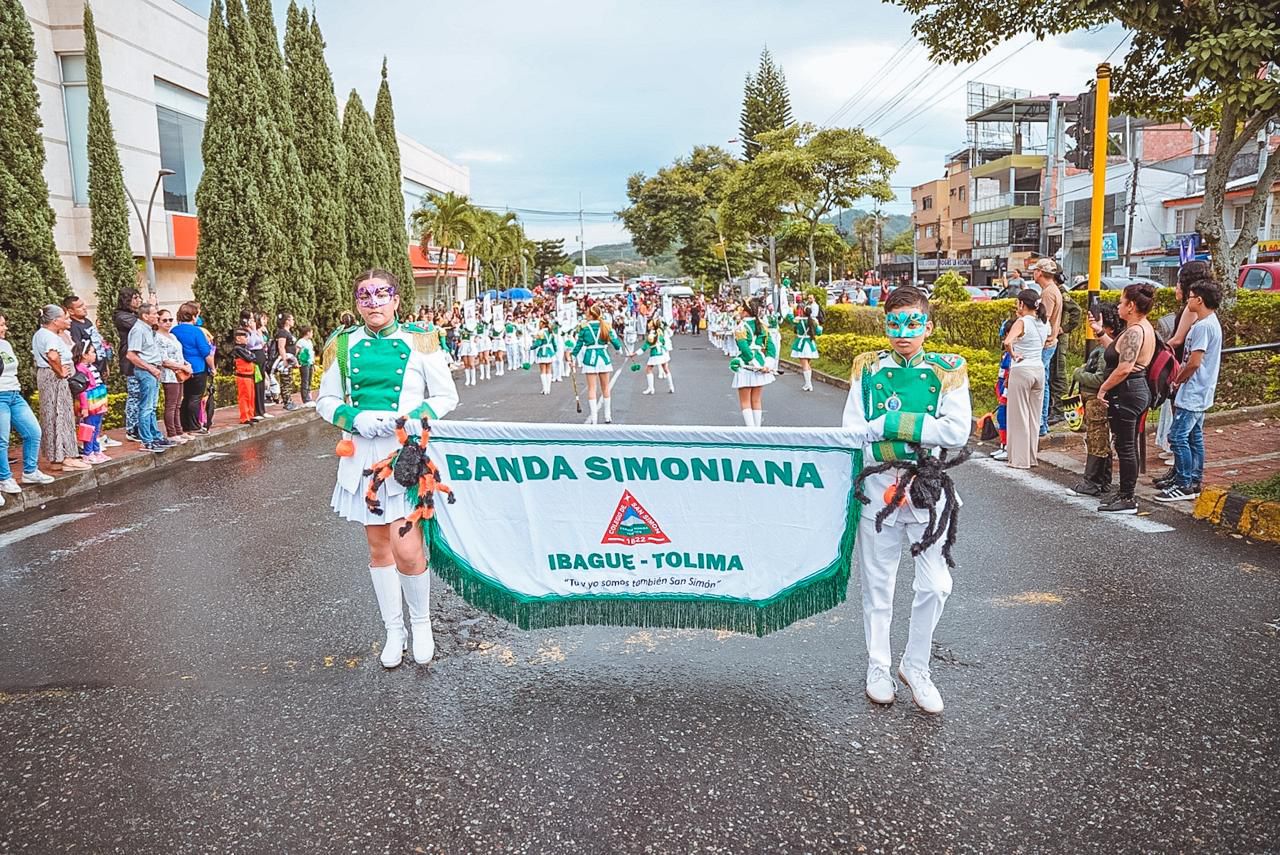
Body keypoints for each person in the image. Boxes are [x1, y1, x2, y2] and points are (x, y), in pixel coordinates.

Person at [316, 269, 459, 669]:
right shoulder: (343, 345)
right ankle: (393, 630)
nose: (374, 303)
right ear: (357, 302)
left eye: (382, 295)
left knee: (408, 548)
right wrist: (353, 419)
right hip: (362, 452)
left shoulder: (419, 341)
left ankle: (421, 623)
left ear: (396, 299)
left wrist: (408, 420)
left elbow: (446, 395)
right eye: (365, 296)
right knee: (379, 548)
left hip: (406, 452)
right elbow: (325, 400)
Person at [842, 286, 971, 714]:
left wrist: (888, 423)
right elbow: (853, 430)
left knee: (936, 584)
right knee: (879, 587)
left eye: (912, 323)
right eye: (894, 323)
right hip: (877, 490)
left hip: (927, 488)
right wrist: (915, 426)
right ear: (885, 325)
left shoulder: (948, 369)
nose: (903, 332)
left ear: (928, 326)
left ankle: (916, 664)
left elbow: (956, 432)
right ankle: (878, 666)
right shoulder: (867, 367)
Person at [1090, 283, 1157, 514]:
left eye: (1121, 301)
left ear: (1130, 306)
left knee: (1126, 447)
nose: (1118, 306)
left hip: (1128, 392)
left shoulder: (1136, 332)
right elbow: (1116, 353)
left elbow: (1125, 367)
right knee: (1124, 444)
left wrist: (1103, 389)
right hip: (1131, 391)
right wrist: (1100, 332)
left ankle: (1128, 497)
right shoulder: (1137, 328)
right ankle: (1124, 493)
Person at [1155, 277, 1222, 503]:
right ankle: (1193, 479)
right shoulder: (1211, 322)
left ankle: (1184, 483)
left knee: (1177, 437)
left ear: (1199, 300)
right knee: (1194, 437)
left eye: (1191, 297)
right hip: (1201, 390)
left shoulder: (1203, 327)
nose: (1188, 301)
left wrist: (1178, 380)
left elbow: (1193, 362)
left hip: (1193, 391)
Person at [1068, 305, 1124, 497]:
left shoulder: (1106, 350)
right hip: (1094, 401)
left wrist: (1078, 373)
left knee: (1096, 441)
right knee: (1098, 440)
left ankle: (1091, 482)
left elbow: (1100, 378)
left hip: (1096, 401)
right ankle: (1103, 481)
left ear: (1107, 327)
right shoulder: (1106, 347)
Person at [0, 314, 53, 500]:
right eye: (1, 325)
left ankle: (30, 471)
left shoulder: (5, 345)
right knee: (2, 440)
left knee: (33, 432)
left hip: (14, 393)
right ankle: (4, 478)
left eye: (4, 324)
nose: (5, 328)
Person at [32, 304, 90, 471]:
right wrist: (60, 372)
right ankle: (68, 457)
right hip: (55, 379)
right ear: (55, 321)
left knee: (51, 416)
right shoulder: (49, 336)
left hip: (47, 377)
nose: (68, 320)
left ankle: (56, 458)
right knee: (62, 415)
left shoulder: (40, 334)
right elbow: (52, 355)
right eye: (65, 318)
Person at [1001, 290, 1050, 469]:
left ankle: (1019, 460)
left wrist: (1013, 354)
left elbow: (1007, 342)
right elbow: (1048, 342)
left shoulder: (1022, 322)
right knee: (1033, 416)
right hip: (1038, 370)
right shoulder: (1044, 323)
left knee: (1019, 415)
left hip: (1022, 370)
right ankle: (1031, 457)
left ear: (1022, 304)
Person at [126, 302, 171, 453]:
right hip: (147, 371)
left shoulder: (148, 329)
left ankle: (155, 435)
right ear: (145, 316)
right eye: (154, 313)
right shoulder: (138, 330)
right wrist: (150, 368)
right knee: (146, 407)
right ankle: (146, 440)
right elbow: (131, 355)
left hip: (154, 370)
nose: (157, 316)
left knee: (152, 407)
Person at [1029, 259, 1064, 436]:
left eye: (1035, 271)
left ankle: (1041, 423)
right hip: (1049, 342)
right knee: (1043, 382)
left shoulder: (1048, 293)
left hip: (1045, 344)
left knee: (1040, 384)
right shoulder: (1051, 290)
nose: (1033, 274)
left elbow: (1044, 320)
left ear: (1040, 273)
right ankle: (1041, 422)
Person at [571, 305, 622, 424]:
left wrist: (572, 357)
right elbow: (614, 341)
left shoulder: (584, 328)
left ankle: (594, 418)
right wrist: (619, 349)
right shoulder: (605, 325)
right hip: (603, 358)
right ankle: (607, 416)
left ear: (590, 315)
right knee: (605, 387)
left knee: (592, 389)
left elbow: (578, 344)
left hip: (590, 359)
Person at [731, 299, 776, 427]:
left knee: (745, 401)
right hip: (761, 362)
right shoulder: (762, 326)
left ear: (745, 312)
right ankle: (758, 430)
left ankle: (751, 432)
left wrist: (753, 363)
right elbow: (771, 348)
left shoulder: (741, 327)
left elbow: (744, 348)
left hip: (746, 364)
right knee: (756, 399)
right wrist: (767, 364)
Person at [172, 301, 214, 434]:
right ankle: (194, 426)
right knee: (195, 397)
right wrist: (212, 368)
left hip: (181, 368)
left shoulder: (174, 331)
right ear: (193, 316)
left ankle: (184, 424)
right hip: (198, 368)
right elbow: (206, 352)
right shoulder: (197, 332)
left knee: (185, 397)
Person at [155, 309, 192, 443]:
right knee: (171, 405)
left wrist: (186, 365)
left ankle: (179, 430)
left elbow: (178, 355)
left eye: (170, 320)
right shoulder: (158, 338)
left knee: (177, 404)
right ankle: (171, 433)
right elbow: (164, 360)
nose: (168, 323)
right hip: (169, 375)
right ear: (158, 322)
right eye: (164, 320)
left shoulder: (172, 336)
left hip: (179, 373)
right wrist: (182, 367)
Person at [112, 288, 142, 441]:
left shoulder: (135, 315)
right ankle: (132, 428)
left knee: (143, 395)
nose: (138, 301)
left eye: (139, 297)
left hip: (143, 359)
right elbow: (142, 326)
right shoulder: (122, 316)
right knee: (135, 395)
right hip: (130, 361)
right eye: (134, 298)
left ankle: (141, 426)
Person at [73, 340, 109, 463]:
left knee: (97, 427)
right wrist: (84, 407)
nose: (95, 355)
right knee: (89, 427)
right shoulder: (80, 369)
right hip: (90, 401)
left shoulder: (91, 367)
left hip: (98, 400)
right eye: (92, 352)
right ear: (84, 355)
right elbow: (82, 390)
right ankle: (88, 452)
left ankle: (96, 450)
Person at [787, 306, 822, 392]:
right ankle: (808, 383)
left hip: (801, 344)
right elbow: (819, 332)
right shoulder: (813, 321)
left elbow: (790, 319)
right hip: (810, 344)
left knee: (805, 365)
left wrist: (790, 309)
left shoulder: (799, 320)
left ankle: (808, 384)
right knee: (807, 364)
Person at [230, 329, 260, 425]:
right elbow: (250, 358)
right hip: (243, 376)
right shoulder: (237, 349)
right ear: (238, 338)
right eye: (245, 336)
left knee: (251, 396)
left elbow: (253, 357)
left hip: (249, 376)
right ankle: (244, 417)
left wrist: (251, 355)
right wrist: (251, 355)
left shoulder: (245, 349)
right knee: (244, 397)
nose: (247, 339)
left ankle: (250, 415)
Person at [273, 313, 299, 411]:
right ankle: (287, 401)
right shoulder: (282, 333)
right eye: (292, 319)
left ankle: (289, 400)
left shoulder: (288, 332)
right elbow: (281, 347)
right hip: (285, 361)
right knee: (285, 381)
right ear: (287, 321)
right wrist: (284, 360)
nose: (293, 321)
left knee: (289, 380)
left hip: (290, 359)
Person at [642, 317, 674, 395]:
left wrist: (635, 354)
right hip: (663, 351)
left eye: (650, 323)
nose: (648, 324)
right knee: (666, 368)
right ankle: (671, 387)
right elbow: (663, 341)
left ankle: (651, 388)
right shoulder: (660, 331)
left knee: (649, 369)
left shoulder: (652, 334)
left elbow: (645, 347)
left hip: (656, 352)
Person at [532, 317, 557, 394]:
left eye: (540, 323)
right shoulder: (550, 332)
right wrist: (555, 351)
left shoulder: (541, 332)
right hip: (550, 352)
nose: (539, 324)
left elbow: (538, 343)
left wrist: (530, 347)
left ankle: (545, 388)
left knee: (543, 371)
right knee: (549, 370)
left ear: (543, 324)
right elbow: (554, 343)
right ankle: (548, 389)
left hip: (543, 352)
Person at [295, 325, 316, 406]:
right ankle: (305, 399)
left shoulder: (309, 342)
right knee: (305, 381)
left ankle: (309, 397)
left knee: (309, 380)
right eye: (311, 332)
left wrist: (313, 364)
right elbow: (296, 352)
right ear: (307, 333)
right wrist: (297, 362)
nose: (312, 334)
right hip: (304, 363)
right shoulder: (300, 342)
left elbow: (312, 353)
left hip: (310, 363)